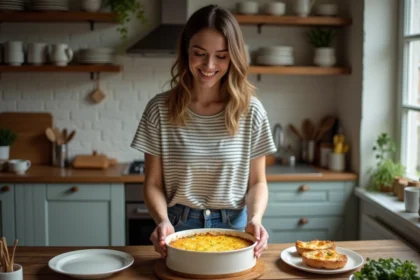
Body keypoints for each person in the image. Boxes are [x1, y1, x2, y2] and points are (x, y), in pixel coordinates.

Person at [131, 4, 276, 259]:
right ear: (186, 50)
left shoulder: (251, 111)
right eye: (200, 53)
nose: (209, 65)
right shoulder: (159, 109)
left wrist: (255, 218)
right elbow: (152, 183)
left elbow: (257, 182)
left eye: (221, 56)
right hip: (178, 228)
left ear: (234, 57)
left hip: (237, 229)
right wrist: (162, 220)